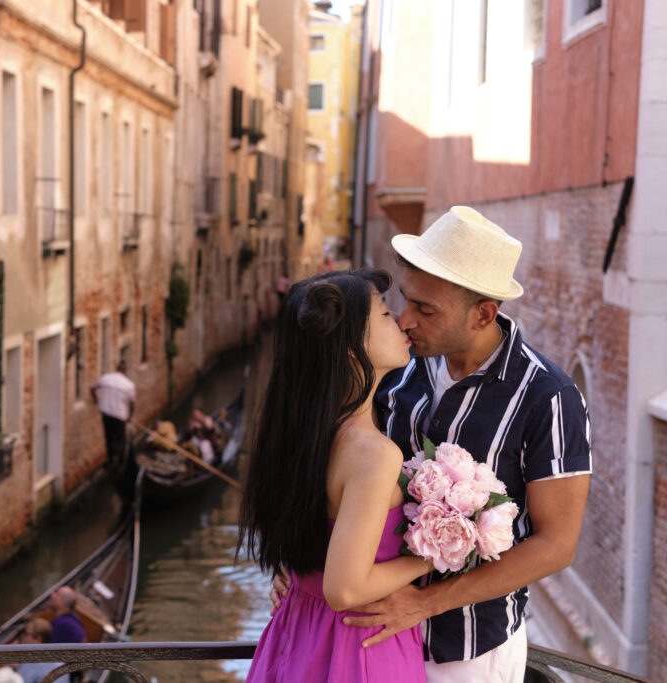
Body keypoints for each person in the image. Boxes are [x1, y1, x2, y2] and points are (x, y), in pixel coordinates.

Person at [271, 206, 592, 682]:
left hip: (466, 652)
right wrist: (300, 560)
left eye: (426, 309)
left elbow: (556, 545)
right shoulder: (396, 365)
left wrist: (426, 603)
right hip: (366, 636)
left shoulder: (549, 398)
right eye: (405, 301)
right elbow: (339, 470)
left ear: (483, 314)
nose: (404, 320)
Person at [239, 269, 433, 681]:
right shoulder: (375, 454)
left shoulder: (299, 433)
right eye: (383, 314)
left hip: (298, 632)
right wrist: (434, 554)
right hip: (357, 646)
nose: (399, 319)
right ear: (349, 348)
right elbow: (344, 590)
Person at [90, 360, 136, 473]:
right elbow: (132, 404)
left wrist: (96, 399)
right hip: (120, 416)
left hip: (106, 413)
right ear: (125, 371)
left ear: (117, 369)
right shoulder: (129, 385)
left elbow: (92, 388)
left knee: (109, 437)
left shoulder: (106, 378)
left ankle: (111, 459)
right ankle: (118, 461)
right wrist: (130, 416)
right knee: (120, 439)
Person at [15, 618, 69, 683]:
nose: (22, 636)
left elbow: (21, 680)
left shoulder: (33, 660)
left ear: (38, 639)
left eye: (26, 633)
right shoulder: (58, 660)